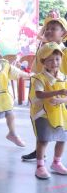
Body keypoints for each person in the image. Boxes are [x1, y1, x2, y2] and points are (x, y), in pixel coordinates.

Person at [22, 17, 67, 161]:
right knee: (41, 123)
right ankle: (39, 151)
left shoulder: (64, 53)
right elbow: (36, 72)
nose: (48, 31)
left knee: (60, 128)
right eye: (47, 28)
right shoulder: (43, 50)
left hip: (60, 97)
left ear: (63, 33)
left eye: (53, 29)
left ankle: (55, 160)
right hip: (43, 97)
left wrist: (63, 98)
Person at [29, 42, 67, 179]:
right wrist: (59, 91)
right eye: (50, 60)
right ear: (43, 62)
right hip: (43, 113)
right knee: (43, 140)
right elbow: (39, 94)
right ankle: (40, 166)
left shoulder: (64, 77)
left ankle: (56, 162)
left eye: (57, 59)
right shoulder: (39, 78)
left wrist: (62, 100)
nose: (54, 63)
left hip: (60, 114)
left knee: (62, 139)